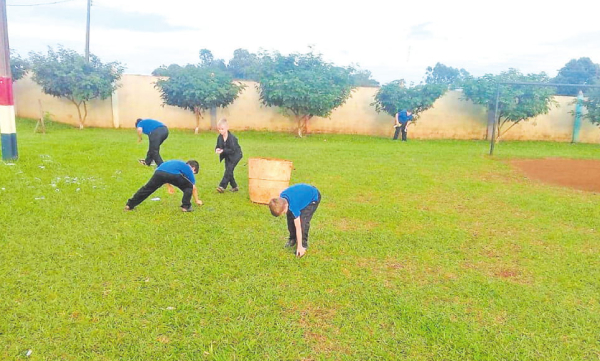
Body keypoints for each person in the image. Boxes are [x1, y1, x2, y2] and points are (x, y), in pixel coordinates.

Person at [124, 160, 202, 212]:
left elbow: (165, 174)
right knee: (188, 187)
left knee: (147, 189)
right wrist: (197, 200)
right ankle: (186, 206)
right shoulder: (188, 168)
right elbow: (193, 188)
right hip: (173, 175)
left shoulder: (175, 163)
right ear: (193, 168)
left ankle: (129, 205)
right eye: (194, 172)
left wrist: (169, 186)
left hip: (159, 172)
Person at [268, 184, 321, 258]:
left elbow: (298, 227)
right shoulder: (282, 197)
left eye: (283, 212)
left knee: (303, 221)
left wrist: (299, 246)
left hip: (313, 197)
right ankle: (292, 239)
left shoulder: (293, 206)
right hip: (301, 196)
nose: (284, 214)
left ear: (286, 205)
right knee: (290, 217)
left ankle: (303, 245)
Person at [215, 118, 243, 193]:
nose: (221, 131)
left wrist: (223, 150)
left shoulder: (232, 138)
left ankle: (222, 186)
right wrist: (217, 149)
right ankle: (234, 186)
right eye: (219, 129)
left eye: (222, 129)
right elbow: (218, 145)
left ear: (227, 128)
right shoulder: (220, 137)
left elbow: (233, 150)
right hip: (227, 155)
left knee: (229, 169)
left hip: (236, 155)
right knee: (229, 170)